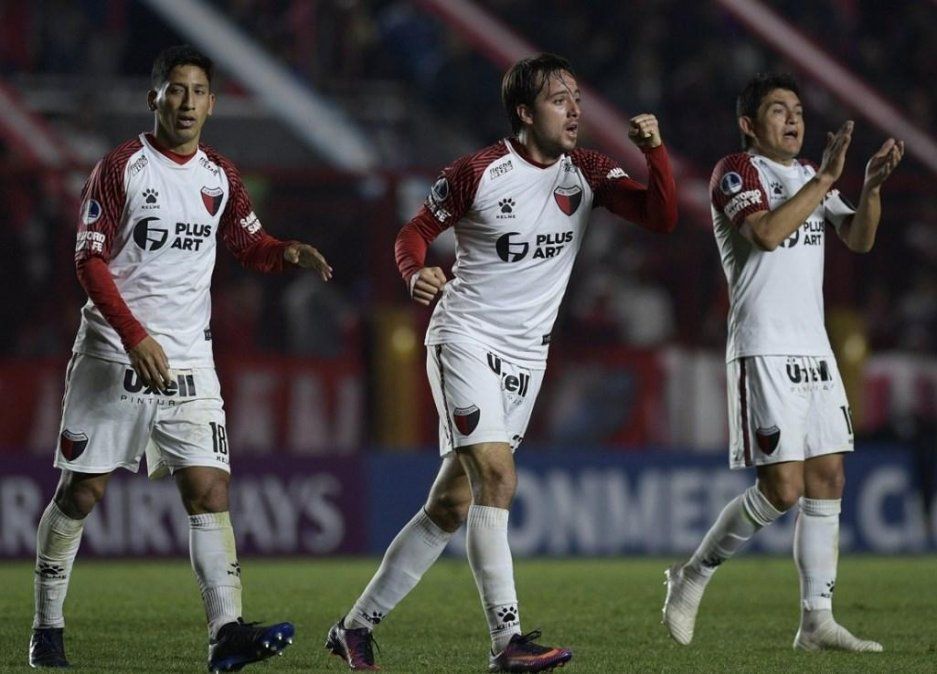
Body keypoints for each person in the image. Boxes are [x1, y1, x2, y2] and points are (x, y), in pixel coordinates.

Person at [325, 53, 677, 671]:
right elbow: (413, 232)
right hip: (464, 338)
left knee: (450, 506)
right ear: (525, 112)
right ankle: (507, 642)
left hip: (527, 358)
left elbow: (661, 216)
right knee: (499, 476)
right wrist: (413, 272)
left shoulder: (587, 171)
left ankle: (354, 628)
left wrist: (656, 154)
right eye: (559, 100)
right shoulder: (478, 172)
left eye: (576, 97)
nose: (574, 110)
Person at [28, 45, 333, 670]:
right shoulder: (122, 168)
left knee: (209, 487)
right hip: (114, 352)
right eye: (176, 89)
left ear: (212, 104)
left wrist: (284, 252)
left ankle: (226, 633)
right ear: (155, 98)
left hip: (190, 359)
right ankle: (47, 629)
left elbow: (247, 242)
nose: (187, 102)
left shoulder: (220, 176)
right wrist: (134, 335)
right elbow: (89, 260)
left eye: (197, 92)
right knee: (82, 493)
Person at [662, 72, 903, 652]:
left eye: (797, 108)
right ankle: (692, 574)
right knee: (782, 487)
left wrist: (869, 188)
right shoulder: (736, 172)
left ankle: (816, 621)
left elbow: (859, 240)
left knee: (829, 478)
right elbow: (767, 233)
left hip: (815, 349)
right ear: (749, 125)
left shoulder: (808, 176)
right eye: (778, 109)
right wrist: (825, 179)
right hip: (762, 346)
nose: (793, 118)